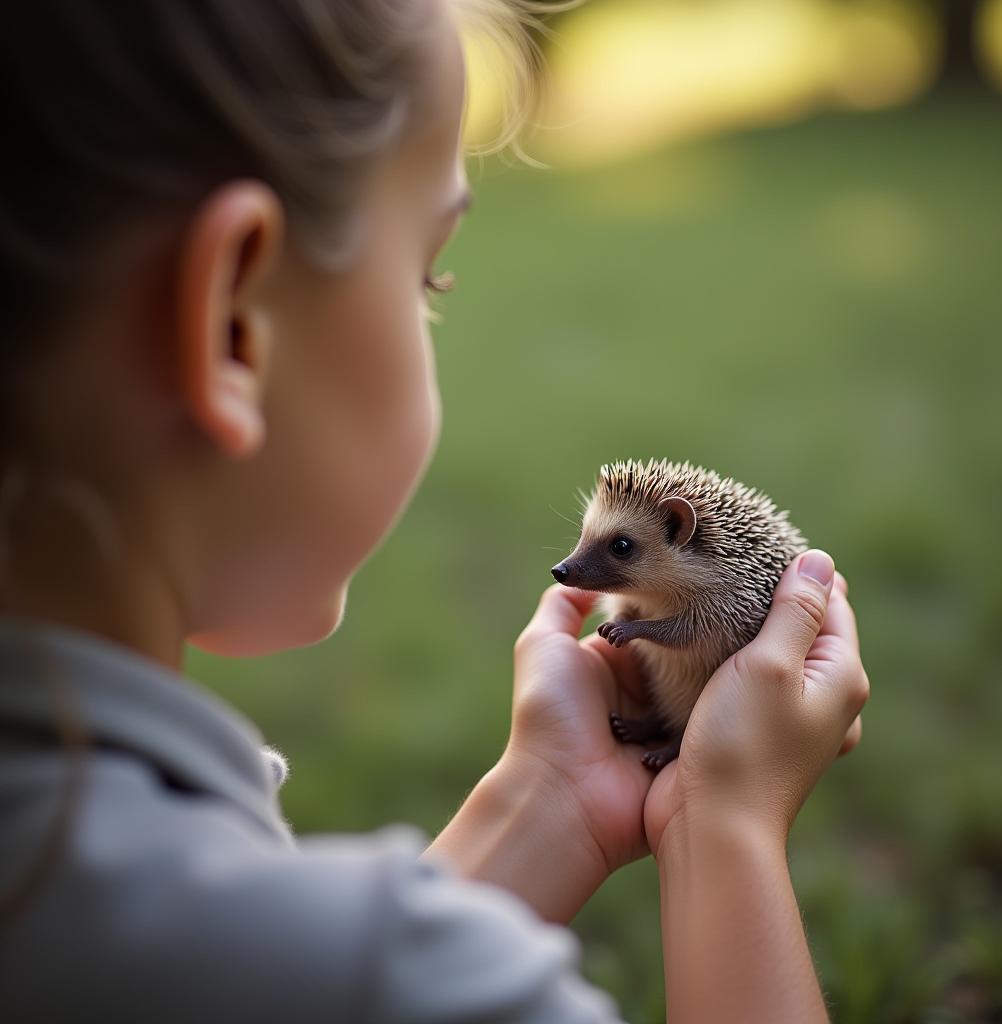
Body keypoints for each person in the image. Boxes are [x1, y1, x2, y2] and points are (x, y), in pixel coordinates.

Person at [0, 0, 869, 1021]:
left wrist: (546, 802)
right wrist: (727, 822)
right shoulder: (366, 972)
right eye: (429, 275)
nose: (576, 574)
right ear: (233, 322)